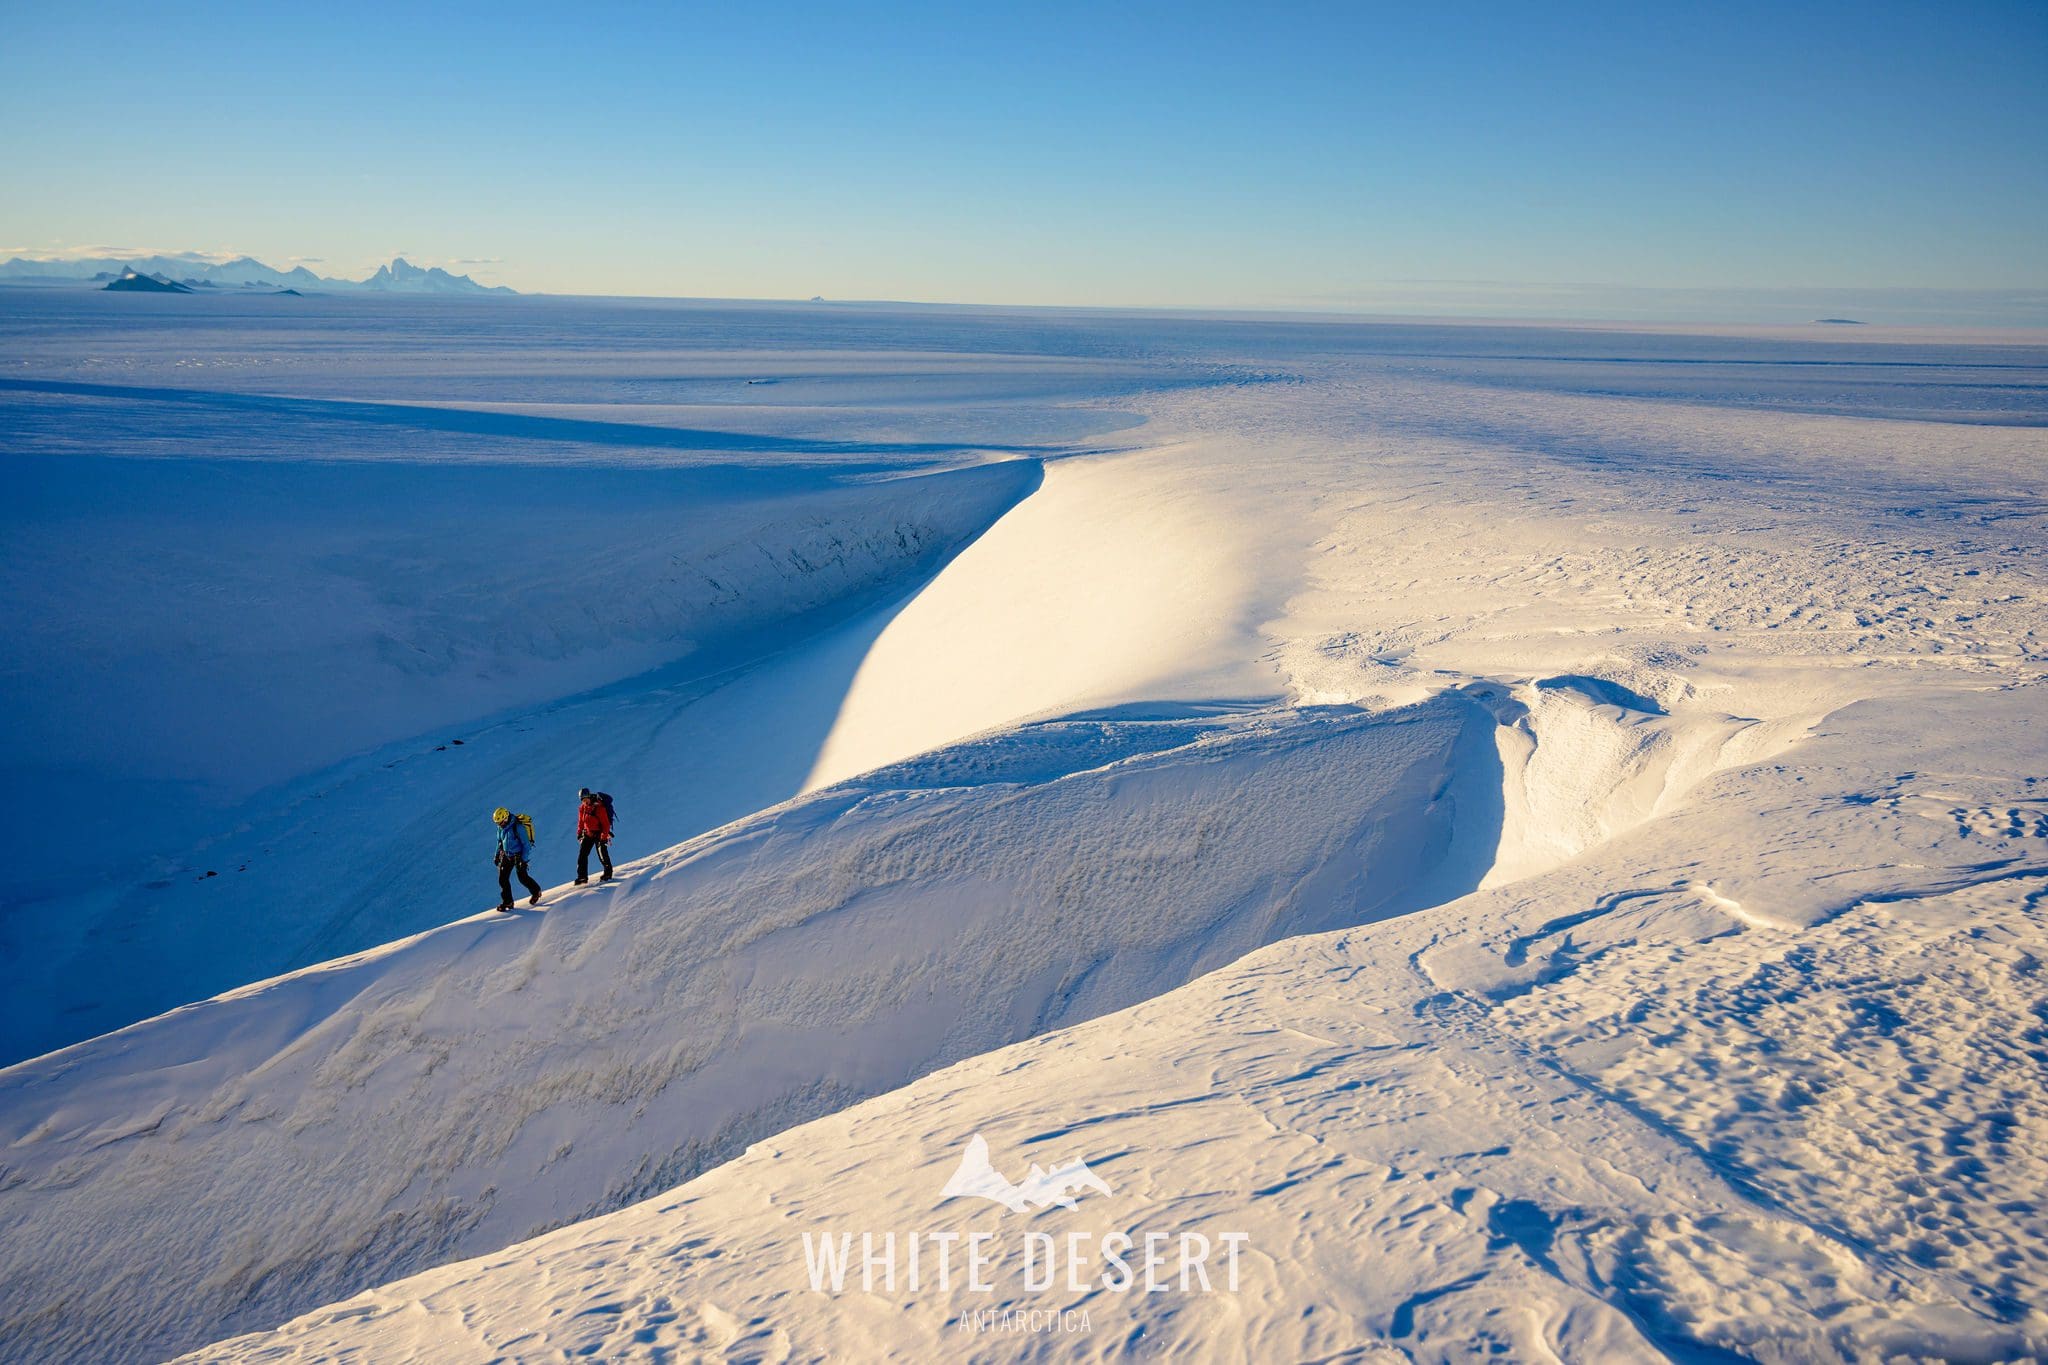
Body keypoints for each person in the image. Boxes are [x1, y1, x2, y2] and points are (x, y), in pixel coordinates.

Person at [492, 806, 543, 911]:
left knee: (522, 878)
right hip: (507, 855)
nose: (499, 825)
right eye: (498, 823)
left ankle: (536, 891)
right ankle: (508, 902)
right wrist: (497, 855)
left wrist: (523, 860)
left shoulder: (518, 827)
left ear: (505, 818)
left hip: (518, 856)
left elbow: (527, 845)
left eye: (501, 822)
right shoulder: (500, 828)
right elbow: (499, 842)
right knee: (503, 878)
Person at [576, 787, 615, 884]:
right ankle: (582, 877)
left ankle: (608, 874)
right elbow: (581, 822)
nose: (585, 801)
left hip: (599, 834)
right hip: (588, 834)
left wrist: (603, 837)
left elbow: (606, 824)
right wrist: (579, 833)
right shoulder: (582, 808)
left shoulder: (598, 807)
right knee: (582, 856)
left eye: (586, 799)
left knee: (602, 855)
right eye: (583, 799)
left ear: (589, 796)